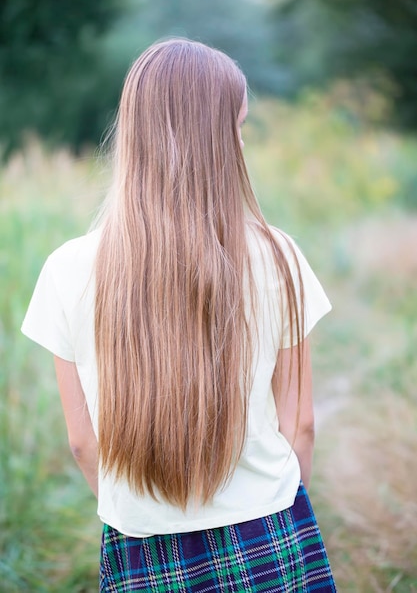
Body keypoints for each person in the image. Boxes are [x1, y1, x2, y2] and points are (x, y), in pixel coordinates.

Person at [22, 38, 337, 592]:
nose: (242, 142)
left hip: (139, 544)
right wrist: (281, 504)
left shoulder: (67, 268)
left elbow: (82, 442)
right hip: (267, 533)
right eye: (238, 127)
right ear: (217, 139)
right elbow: (300, 426)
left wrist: (143, 515)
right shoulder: (279, 255)